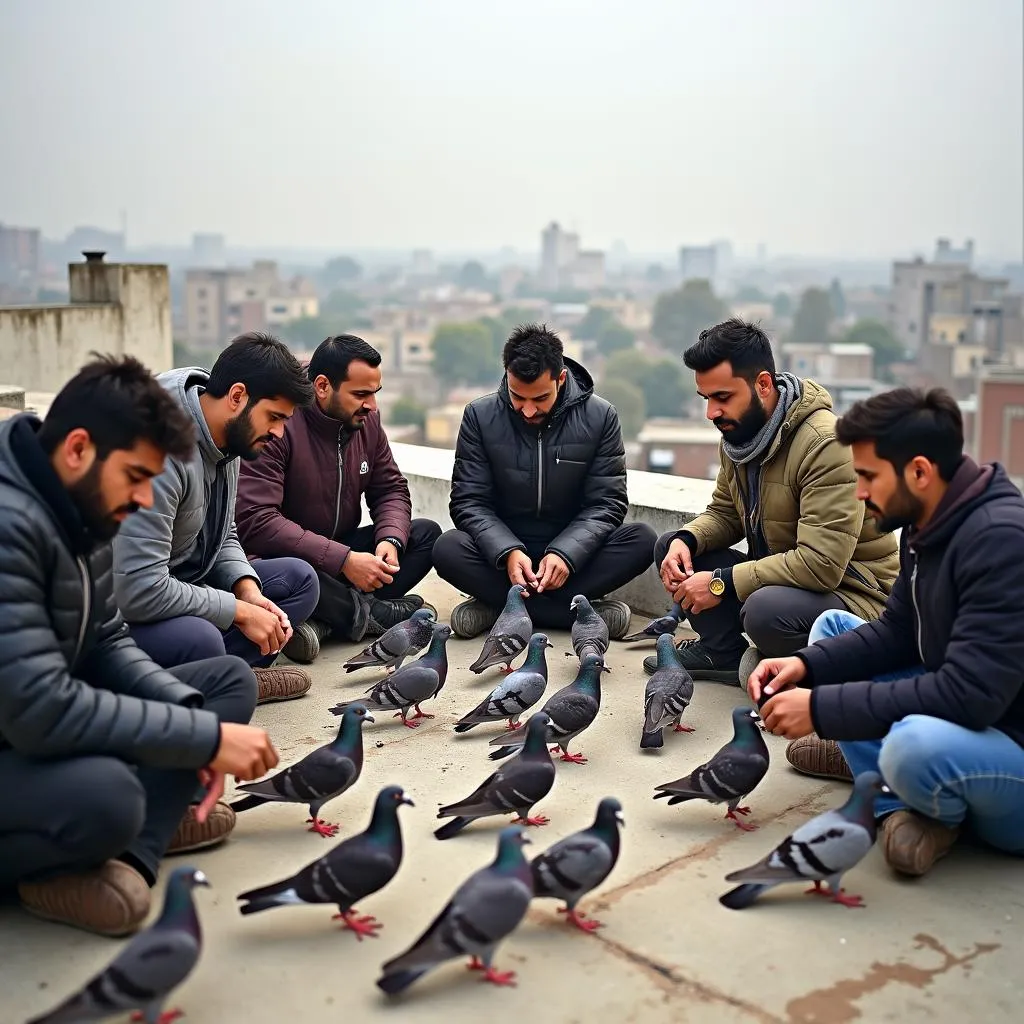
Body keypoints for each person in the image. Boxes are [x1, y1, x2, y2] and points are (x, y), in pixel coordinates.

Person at [0, 354, 279, 937]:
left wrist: (187, 718)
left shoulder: (83, 502)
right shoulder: (10, 526)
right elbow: (38, 710)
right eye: (135, 479)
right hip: (23, 731)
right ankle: (60, 864)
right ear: (79, 448)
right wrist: (199, 739)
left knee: (225, 682)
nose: (144, 502)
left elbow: (107, 639)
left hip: (43, 721)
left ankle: (133, 852)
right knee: (109, 797)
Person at [749, 386, 1024, 877]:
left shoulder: (1001, 541)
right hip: (966, 719)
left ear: (919, 471)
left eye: (868, 477)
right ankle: (897, 798)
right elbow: (896, 631)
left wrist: (821, 709)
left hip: (1008, 750)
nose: (859, 492)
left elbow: (971, 695)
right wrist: (805, 667)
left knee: (913, 747)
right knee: (830, 629)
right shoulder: (926, 518)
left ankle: (902, 790)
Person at [648, 318, 899, 683]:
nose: (711, 413)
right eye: (705, 399)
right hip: (787, 580)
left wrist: (720, 583)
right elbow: (725, 513)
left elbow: (821, 565)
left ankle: (832, 672)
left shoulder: (827, 445)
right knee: (670, 547)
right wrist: (686, 540)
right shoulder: (741, 435)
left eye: (722, 397)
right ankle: (724, 656)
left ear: (763, 384)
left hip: (856, 597)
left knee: (765, 612)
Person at [112, 332, 320, 704]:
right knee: (200, 639)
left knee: (300, 582)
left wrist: (247, 590)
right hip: (114, 612)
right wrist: (236, 612)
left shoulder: (230, 433)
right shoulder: (156, 450)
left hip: (183, 581)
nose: (278, 432)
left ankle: (220, 676)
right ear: (238, 396)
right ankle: (227, 676)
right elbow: (138, 589)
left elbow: (224, 533)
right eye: (273, 417)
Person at [432, 322, 656, 637]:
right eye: (517, 397)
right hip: (502, 557)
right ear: (507, 375)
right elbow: (469, 501)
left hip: (574, 555)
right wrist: (508, 551)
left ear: (560, 378)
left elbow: (607, 503)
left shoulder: (601, 417)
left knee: (643, 540)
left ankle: (502, 610)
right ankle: (580, 615)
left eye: (539, 398)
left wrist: (566, 553)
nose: (527, 410)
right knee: (446, 548)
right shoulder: (479, 416)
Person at [234, 334, 442, 660]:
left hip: (340, 549)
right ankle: (366, 616)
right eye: (360, 394)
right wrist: (343, 560)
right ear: (322, 386)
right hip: (284, 558)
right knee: (301, 575)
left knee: (426, 535)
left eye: (374, 393)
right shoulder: (279, 422)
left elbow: (389, 488)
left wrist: (391, 540)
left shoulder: (365, 420)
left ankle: (324, 622)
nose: (371, 405)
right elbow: (258, 522)